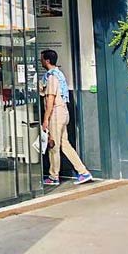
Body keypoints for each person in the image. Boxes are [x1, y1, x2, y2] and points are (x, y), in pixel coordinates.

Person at [40, 49, 92, 186]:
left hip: (56, 113)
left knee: (54, 146)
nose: (40, 61)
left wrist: (46, 119)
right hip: (63, 112)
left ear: (47, 61)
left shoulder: (51, 77)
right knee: (65, 145)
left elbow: (50, 99)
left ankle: (53, 176)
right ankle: (83, 172)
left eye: (42, 59)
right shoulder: (59, 75)